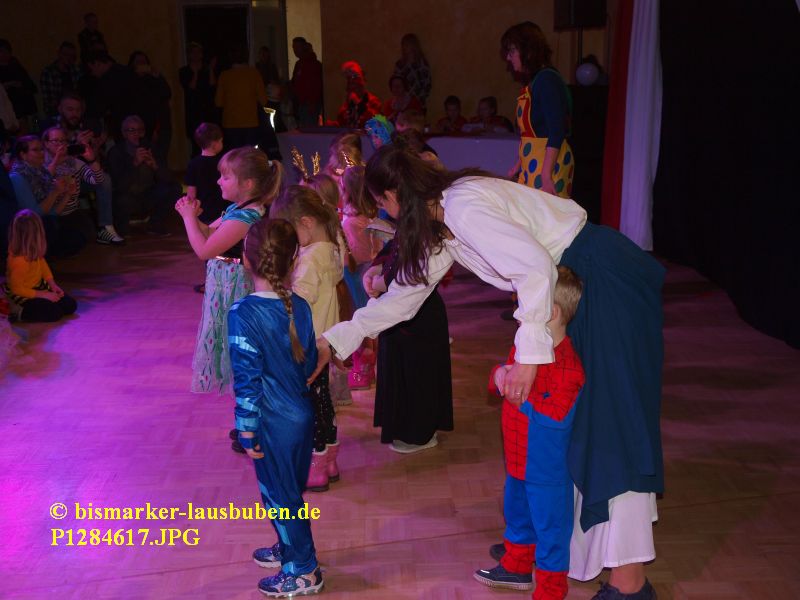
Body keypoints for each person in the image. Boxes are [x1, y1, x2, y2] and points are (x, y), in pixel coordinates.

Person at [321, 145, 664, 600]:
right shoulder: (445, 219)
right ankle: (550, 551)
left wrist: (527, 360)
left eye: (382, 204)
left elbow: (535, 270)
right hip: (572, 288)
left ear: (393, 195)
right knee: (583, 429)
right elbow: (404, 298)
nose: (385, 214)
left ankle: (630, 583)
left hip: (600, 282)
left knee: (612, 426)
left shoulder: (461, 208)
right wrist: (337, 339)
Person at [474, 266, 585, 599]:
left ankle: (551, 589)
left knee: (551, 530)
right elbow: (503, 375)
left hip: (546, 470)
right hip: (517, 460)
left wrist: (519, 395)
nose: (518, 314)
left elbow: (556, 416)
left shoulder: (568, 366)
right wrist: (499, 376)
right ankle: (517, 566)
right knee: (517, 515)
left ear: (551, 313)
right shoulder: (524, 347)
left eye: (525, 307)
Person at [228, 217, 324, 597]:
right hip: (300, 418)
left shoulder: (243, 313)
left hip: (272, 423)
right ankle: (289, 547)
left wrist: (246, 428)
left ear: (246, 259)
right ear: (293, 259)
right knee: (289, 492)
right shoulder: (299, 305)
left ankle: (303, 569)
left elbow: (246, 379)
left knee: (281, 498)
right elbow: (309, 360)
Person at [175, 147, 283, 408]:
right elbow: (210, 233)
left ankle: (251, 409)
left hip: (235, 286)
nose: (218, 181)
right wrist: (193, 216)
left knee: (240, 349)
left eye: (225, 177)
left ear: (247, 184)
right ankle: (245, 407)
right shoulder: (237, 208)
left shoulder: (245, 217)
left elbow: (204, 250)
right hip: (223, 283)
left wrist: (188, 219)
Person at [270, 185, 345, 492]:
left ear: (307, 222)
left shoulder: (311, 259)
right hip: (325, 341)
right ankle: (329, 461)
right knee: (322, 402)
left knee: (307, 408)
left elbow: (299, 302)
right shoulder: (332, 247)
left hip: (307, 344)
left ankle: (314, 467)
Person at [501, 22, 574, 197]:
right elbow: (533, 134)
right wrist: (518, 165)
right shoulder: (535, 82)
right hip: (535, 164)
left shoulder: (547, 80)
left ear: (528, 51)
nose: (508, 58)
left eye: (512, 51)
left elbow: (556, 131)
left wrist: (546, 175)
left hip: (548, 165)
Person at [42, 126, 124, 245]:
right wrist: (56, 161)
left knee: (88, 235)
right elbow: (42, 181)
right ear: (46, 144)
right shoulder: (40, 161)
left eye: (63, 141)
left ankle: (106, 228)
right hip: (51, 215)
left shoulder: (73, 162)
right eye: (55, 141)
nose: (60, 144)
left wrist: (91, 160)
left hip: (71, 212)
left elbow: (98, 180)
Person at [340, 165, 383, 389]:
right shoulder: (369, 215)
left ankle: (363, 371)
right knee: (367, 318)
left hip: (356, 274)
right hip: (367, 269)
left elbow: (355, 254)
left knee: (359, 319)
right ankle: (367, 368)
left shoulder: (352, 221)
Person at [8, 135, 83, 257]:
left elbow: (53, 212)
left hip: (45, 224)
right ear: (23, 155)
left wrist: (68, 195)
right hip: (30, 232)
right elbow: (34, 214)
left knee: (78, 236)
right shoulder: (17, 177)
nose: (41, 153)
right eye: (35, 150)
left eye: (42, 149)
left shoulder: (41, 171)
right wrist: (55, 192)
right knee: (66, 236)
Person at [107, 115, 179, 236]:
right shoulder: (116, 152)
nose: (136, 134)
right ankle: (122, 227)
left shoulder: (150, 148)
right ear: (124, 133)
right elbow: (119, 186)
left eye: (140, 130)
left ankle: (155, 224)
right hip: (127, 197)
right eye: (132, 130)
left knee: (174, 188)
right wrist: (134, 164)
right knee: (121, 199)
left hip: (147, 195)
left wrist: (155, 166)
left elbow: (169, 179)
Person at [4, 209, 77, 322]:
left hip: (37, 286)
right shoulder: (19, 261)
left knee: (70, 305)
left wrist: (52, 285)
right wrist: (43, 295)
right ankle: (18, 312)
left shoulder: (33, 250)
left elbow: (43, 266)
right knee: (54, 313)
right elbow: (16, 288)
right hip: (22, 292)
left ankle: (42, 303)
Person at [215, 45, 267, 149]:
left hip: (230, 124)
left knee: (234, 155)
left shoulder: (224, 76)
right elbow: (263, 100)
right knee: (248, 155)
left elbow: (218, 102)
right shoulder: (254, 74)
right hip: (250, 123)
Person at [128, 51, 172, 163]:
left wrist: (157, 77)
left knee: (160, 158)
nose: (142, 64)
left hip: (159, 124)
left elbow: (166, 94)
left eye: (144, 61)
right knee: (144, 158)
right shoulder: (129, 80)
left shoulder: (153, 78)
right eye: (138, 61)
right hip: (141, 127)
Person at [178, 42, 218, 157]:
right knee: (196, 145)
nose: (196, 54)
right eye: (193, 52)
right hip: (193, 112)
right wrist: (195, 73)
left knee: (211, 143)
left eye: (198, 52)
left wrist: (210, 69)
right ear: (189, 55)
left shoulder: (207, 69)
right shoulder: (184, 71)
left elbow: (213, 87)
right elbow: (190, 88)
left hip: (208, 112)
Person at [0, 40, 38, 131]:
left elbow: (30, 85)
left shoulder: (16, 66)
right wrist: (7, 85)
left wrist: (20, 84)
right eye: (1, 51)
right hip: (6, 110)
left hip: (22, 108)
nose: (4, 54)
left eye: (6, 51)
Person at [39, 42, 81, 117]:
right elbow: (49, 100)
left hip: (74, 111)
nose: (69, 58)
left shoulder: (76, 71)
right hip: (55, 112)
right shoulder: (49, 72)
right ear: (59, 54)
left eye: (72, 56)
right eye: (66, 54)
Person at [392, 33, 432, 112]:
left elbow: (427, 84)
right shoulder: (400, 65)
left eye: (407, 44)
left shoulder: (422, 64)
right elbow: (395, 84)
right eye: (403, 45)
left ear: (413, 45)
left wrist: (419, 99)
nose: (405, 47)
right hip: (402, 104)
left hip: (418, 103)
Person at [336, 61, 381, 129]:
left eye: (355, 83)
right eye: (350, 83)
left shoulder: (373, 101)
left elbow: (376, 122)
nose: (352, 87)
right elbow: (342, 124)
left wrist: (358, 103)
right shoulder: (346, 105)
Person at [290, 38, 323, 128]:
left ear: (303, 47)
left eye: (297, 47)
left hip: (309, 104)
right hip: (301, 103)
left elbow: (316, 84)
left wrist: (312, 102)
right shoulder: (298, 64)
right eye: (293, 47)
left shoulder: (314, 64)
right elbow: (295, 82)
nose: (295, 50)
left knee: (309, 129)